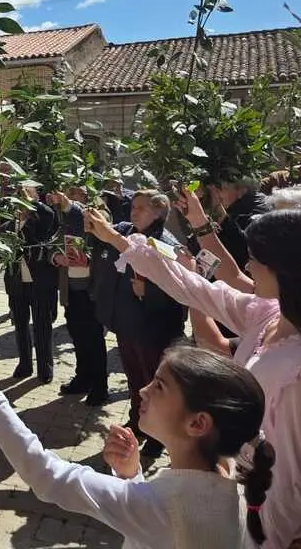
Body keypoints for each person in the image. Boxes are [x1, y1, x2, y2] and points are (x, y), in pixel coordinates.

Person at [86, 206, 301, 548]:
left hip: (288, 525)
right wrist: (118, 241)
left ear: (286, 268)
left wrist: (259, 541)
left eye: (256, 257)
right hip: (252, 491)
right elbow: (193, 287)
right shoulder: (269, 316)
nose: (247, 265)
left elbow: (295, 482)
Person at [0, 318, 274, 548]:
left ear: (198, 424)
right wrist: (131, 475)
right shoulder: (231, 475)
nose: (143, 391)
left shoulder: (158, 507)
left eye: (159, 386)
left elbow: (46, 475)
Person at [90, 190, 186, 458]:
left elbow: (180, 288)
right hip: (127, 322)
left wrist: (150, 292)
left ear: (158, 213)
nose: (134, 211)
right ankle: (138, 422)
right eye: (133, 206)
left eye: (141, 208)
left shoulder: (166, 243)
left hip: (154, 327)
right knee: (135, 379)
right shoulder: (128, 233)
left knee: (154, 382)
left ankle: (159, 435)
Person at [46, 190, 108, 405]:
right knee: (78, 336)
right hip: (70, 289)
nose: (69, 195)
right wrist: (57, 257)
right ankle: (83, 378)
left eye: (75, 192)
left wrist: (69, 205)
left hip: (91, 291)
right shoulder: (61, 215)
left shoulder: (99, 209)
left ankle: (100, 387)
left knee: (94, 339)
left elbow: (102, 235)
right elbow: (49, 244)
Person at [1, 185, 59, 384]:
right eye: (19, 195)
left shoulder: (42, 216)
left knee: (42, 325)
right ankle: (25, 364)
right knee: (20, 324)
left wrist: (32, 203)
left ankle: (45, 368)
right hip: (16, 280)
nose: (21, 199)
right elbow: (0, 235)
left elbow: (50, 217)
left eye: (27, 194)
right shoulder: (10, 217)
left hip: (40, 279)